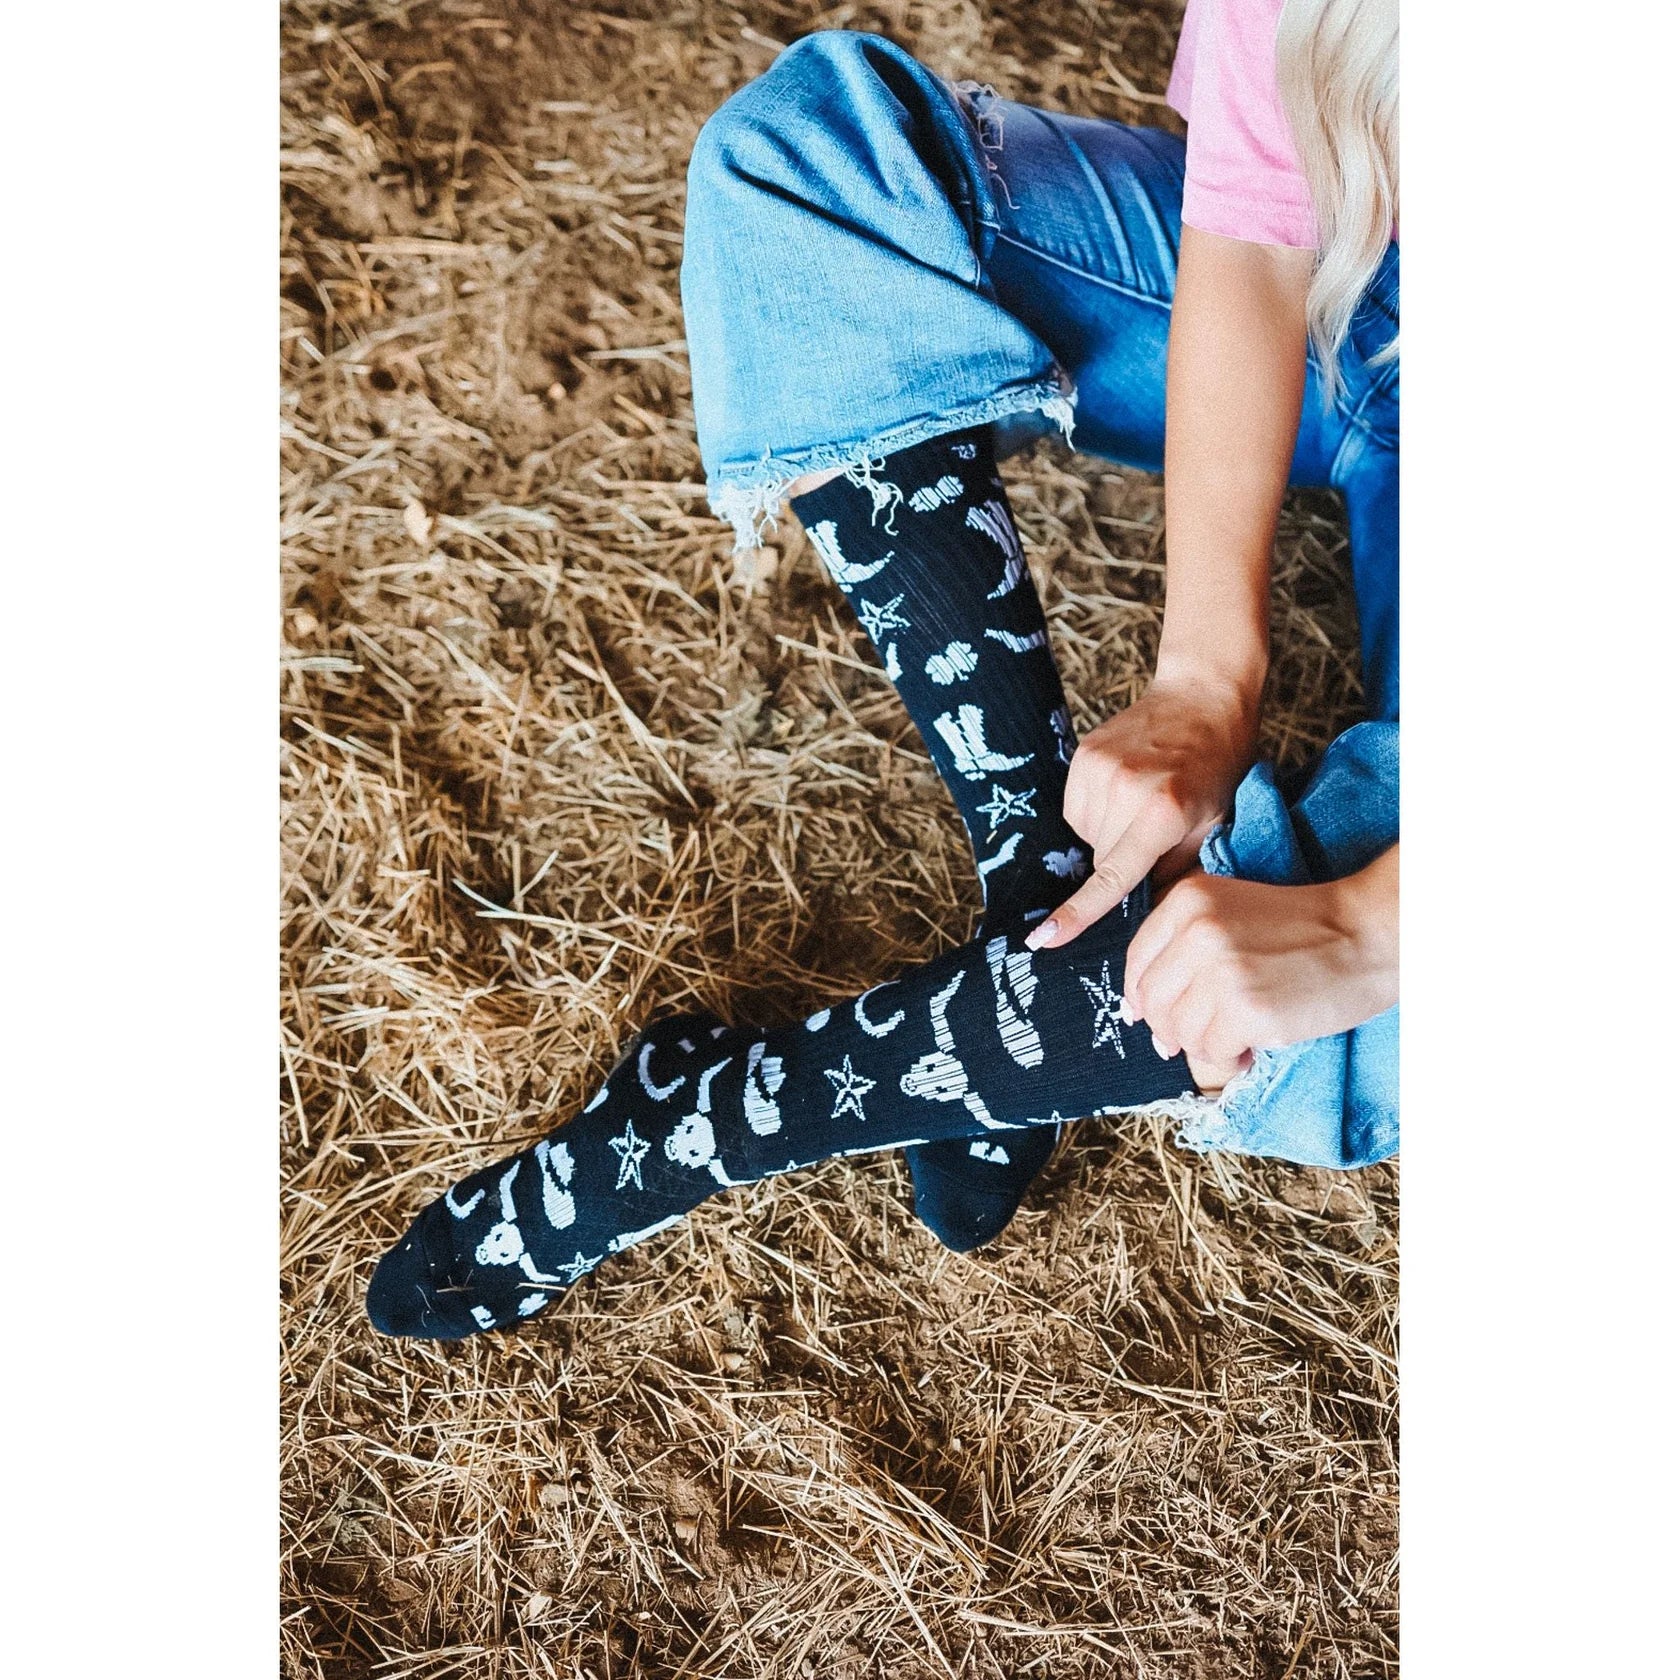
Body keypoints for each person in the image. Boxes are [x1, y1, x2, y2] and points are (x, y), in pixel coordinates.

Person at [367, 0, 1399, 1340]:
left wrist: (1371, 927)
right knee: (811, 166)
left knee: (1367, 968)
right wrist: (1207, 678)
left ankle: (687, 1132)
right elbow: (1259, 220)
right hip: (1364, 279)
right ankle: (1041, 902)